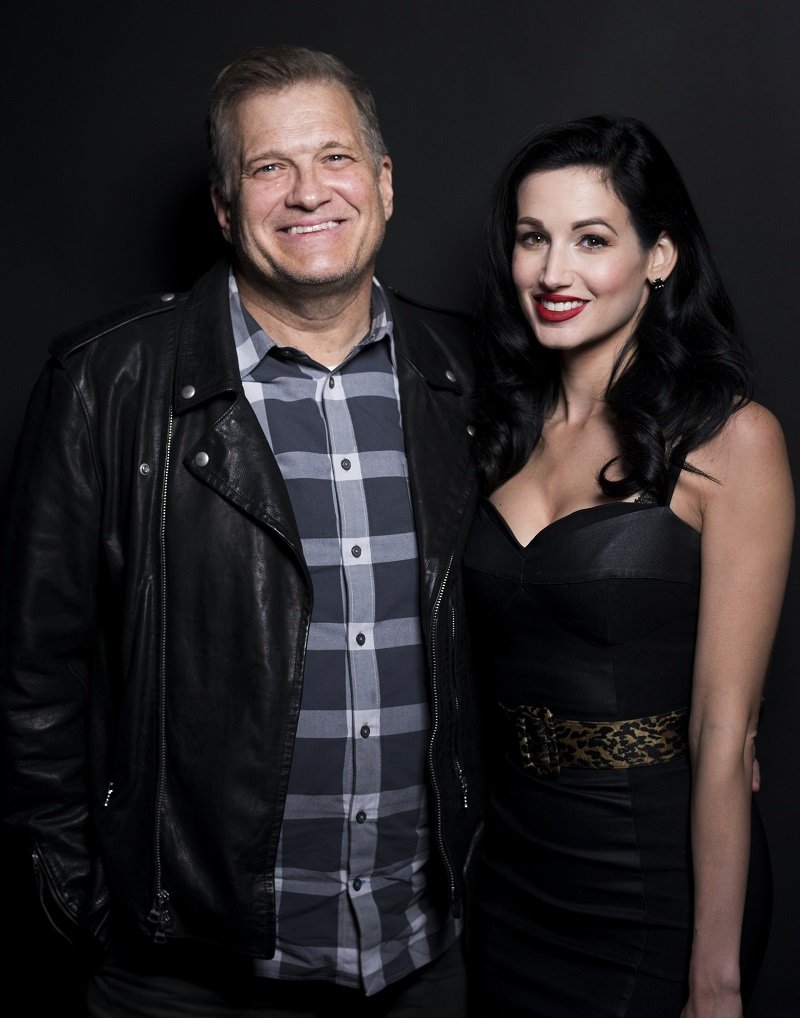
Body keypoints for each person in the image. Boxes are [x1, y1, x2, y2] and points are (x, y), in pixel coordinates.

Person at [0, 45, 483, 1017]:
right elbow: (29, 677)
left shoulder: (468, 378)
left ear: (382, 184)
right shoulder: (106, 385)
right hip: (183, 982)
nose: (308, 192)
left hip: (420, 967)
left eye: (334, 158)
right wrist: (85, 901)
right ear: (225, 206)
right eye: (269, 167)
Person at [463, 114, 794, 1017]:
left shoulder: (733, 440)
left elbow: (726, 738)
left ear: (659, 257)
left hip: (649, 883)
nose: (554, 272)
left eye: (592, 239)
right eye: (533, 238)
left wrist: (715, 980)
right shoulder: (497, 429)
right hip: (512, 874)